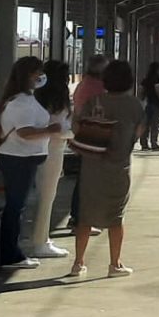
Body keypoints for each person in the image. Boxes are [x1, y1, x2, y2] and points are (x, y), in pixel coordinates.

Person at [70, 58, 144, 278]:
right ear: (129, 81)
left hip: (92, 166)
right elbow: (139, 131)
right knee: (116, 217)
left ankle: (78, 263)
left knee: (85, 215)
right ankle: (115, 264)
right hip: (118, 167)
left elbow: (76, 124)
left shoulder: (94, 101)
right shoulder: (133, 104)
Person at [0, 57, 63, 269]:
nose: (41, 77)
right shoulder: (20, 103)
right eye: (37, 72)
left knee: (18, 206)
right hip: (18, 159)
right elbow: (25, 133)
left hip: (23, 159)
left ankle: (13, 252)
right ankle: (10, 255)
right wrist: (50, 131)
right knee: (15, 207)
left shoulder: (24, 98)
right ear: (27, 75)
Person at [25, 59, 74, 259]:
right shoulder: (58, 99)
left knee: (43, 196)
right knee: (47, 197)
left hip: (37, 150)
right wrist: (73, 134)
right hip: (52, 151)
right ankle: (40, 242)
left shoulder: (38, 96)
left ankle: (41, 238)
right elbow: (58, 129)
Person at [68, 55, 109, 235]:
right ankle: (80, 219)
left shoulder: (84, 84)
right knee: (89, 181)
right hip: (92, 137)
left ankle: (78, 218)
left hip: (84, 136)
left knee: (85, 180)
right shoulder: (97, 87)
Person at [139, 61, 159, 152]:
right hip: (157, 104)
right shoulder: (157, 78)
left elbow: (141, 90)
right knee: (155, 125)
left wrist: (142, 99)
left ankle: (144, 144)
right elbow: (158, 90)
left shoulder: (146, 79)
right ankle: (154, 144)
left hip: (149, 103)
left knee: (146, 125)